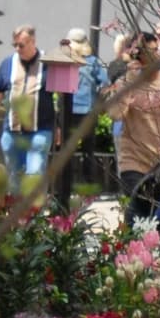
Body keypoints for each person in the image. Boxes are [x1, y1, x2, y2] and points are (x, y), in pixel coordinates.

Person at [112, 32, 160, 222]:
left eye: (155, 50)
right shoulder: (126, 83)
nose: (154, 56)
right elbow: (115, 114)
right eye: (146, 51)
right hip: (133, 163)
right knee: (139, 219)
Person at [0, 26, 59, 186]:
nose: (18, 49)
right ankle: (16, 210)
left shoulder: (47, 64)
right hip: (12, 132)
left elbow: (61, 95)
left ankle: (34, 210)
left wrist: (58, 126)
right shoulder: (7, 64)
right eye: (15, 45)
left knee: (34, 174)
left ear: (33, 42)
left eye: (21, 45)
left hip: (40, 130)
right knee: (14, 178)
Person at [58, 27, 109, 206]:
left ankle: (67, 187)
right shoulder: (92, 62)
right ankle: (88, 190)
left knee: (68, 150)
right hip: (87, 112)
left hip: (69, 111)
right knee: (88, 151)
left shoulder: (66, 60)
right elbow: (104, 83)